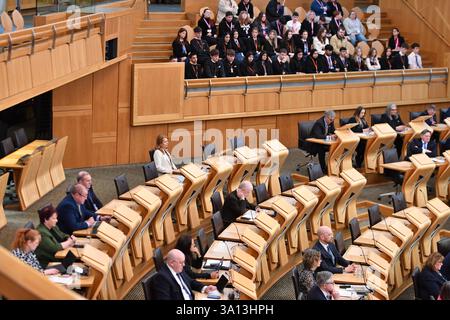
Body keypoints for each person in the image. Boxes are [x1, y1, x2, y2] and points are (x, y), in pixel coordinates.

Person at [150, 249, 217, 300]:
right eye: (181, 262)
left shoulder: (177, 268)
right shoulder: (161, 278)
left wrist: (205, 288)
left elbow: (190, 281)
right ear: (172, 263)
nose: (184, 265)